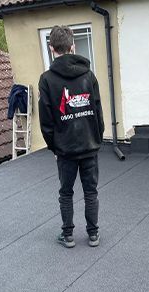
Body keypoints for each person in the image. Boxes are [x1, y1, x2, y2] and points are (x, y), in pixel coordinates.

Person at [38, 25, 104, 248]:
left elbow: (46, 120)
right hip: (89, 145)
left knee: (66, 193)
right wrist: (97, 139)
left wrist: (54, 148)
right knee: (90, 192)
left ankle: (68, 236)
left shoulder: (47, 79)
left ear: (51, 48)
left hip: (65, 150)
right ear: (72, 46)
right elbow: (98, 112)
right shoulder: (88, 75)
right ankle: (93, 234)